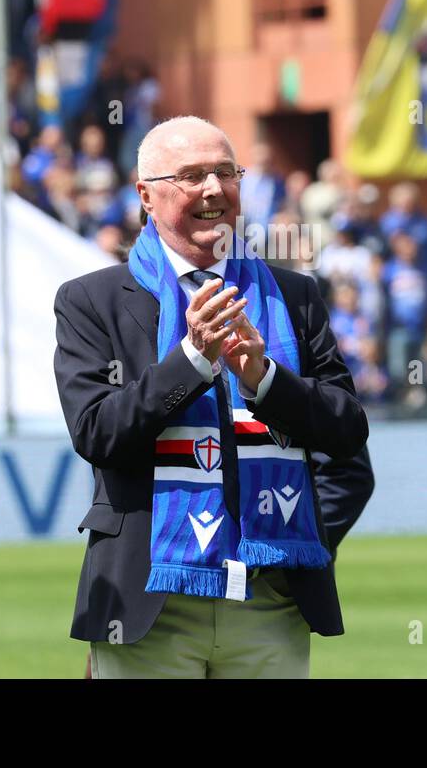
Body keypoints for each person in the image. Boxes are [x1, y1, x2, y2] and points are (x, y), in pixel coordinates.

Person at [53, 116, 372, 678]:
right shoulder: (90, 301)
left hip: (270, 601)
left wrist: (265, 381)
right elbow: (98, 433)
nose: (213, 190)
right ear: (146, 196)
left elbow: (347, 434)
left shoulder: (294, 294)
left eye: (226, 173)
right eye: (192, 175)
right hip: (149, 601)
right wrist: (193, 361)